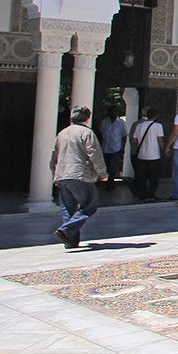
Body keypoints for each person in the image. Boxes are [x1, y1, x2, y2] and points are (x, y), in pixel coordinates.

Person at [50, 105, 107, 249]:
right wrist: (103, 173)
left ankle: (71, 241)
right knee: (89, 205)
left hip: (63, 175)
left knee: (68, 209)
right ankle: (65, 230)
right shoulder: (86, 133)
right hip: (80, 175)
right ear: (87, 118)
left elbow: (53, 156)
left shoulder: (62, 133)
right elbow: (95, 155)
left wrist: (55, 175)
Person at [129, 107, 165, 201]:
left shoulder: (139, 126)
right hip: (154, 156)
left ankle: (142, 195)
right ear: (156, 116)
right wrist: (164, 149)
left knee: (142, 177)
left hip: (141, 155)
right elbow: (160, 140)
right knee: (153, 178)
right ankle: (150, 195)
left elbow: (134, 139)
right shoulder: (158, 126)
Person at [98, 108, 128, 185]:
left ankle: (111, 182)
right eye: (111, 111)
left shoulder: (121, 123)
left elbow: (124, 136)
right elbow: (101, 133)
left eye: (115, 111)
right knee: (106, 165)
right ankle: (108, 180)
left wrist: (123, 148)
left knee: (113, 166)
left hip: (116, 147)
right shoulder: (105, 122)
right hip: (105, 147)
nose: (113, 113)